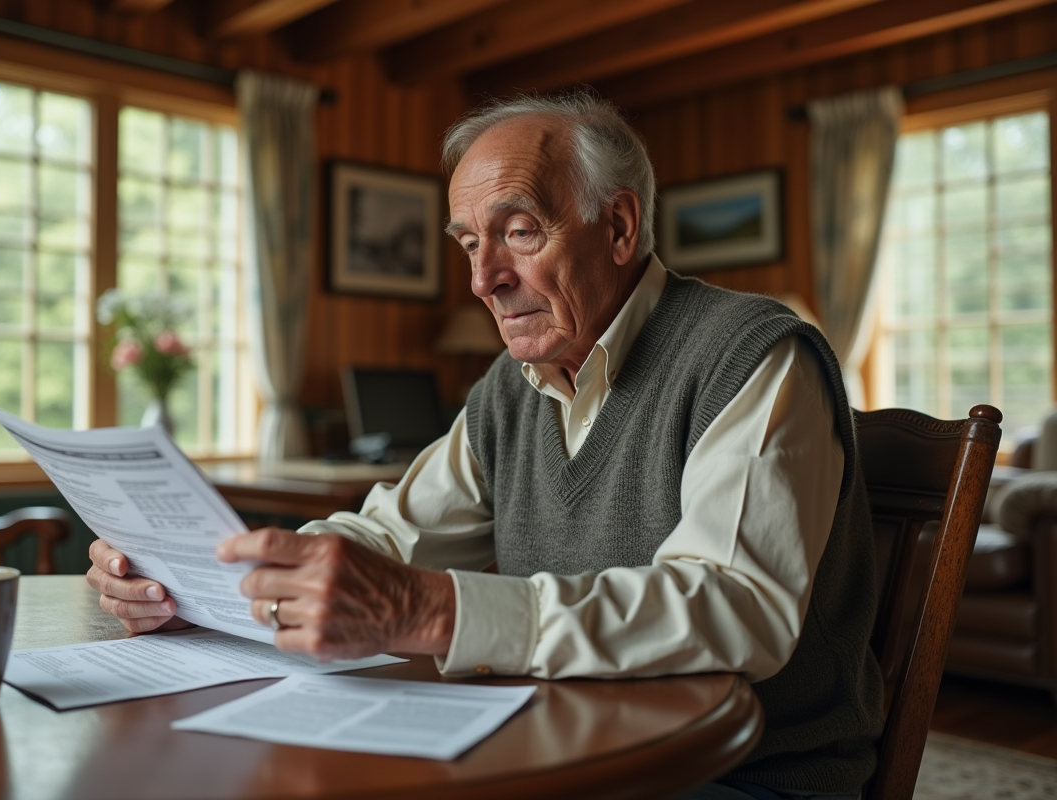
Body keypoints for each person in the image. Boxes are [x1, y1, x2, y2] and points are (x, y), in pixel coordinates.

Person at [86, 91, 882, 800]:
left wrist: (432, 608)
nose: (483, 279)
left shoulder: (754, 355)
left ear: (619, 226)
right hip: (570, 743)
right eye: (469, 242)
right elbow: (387, 537)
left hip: (741, 771)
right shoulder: (512, 388)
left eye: (520, 231)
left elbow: (735, 610)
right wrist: (211, 577)